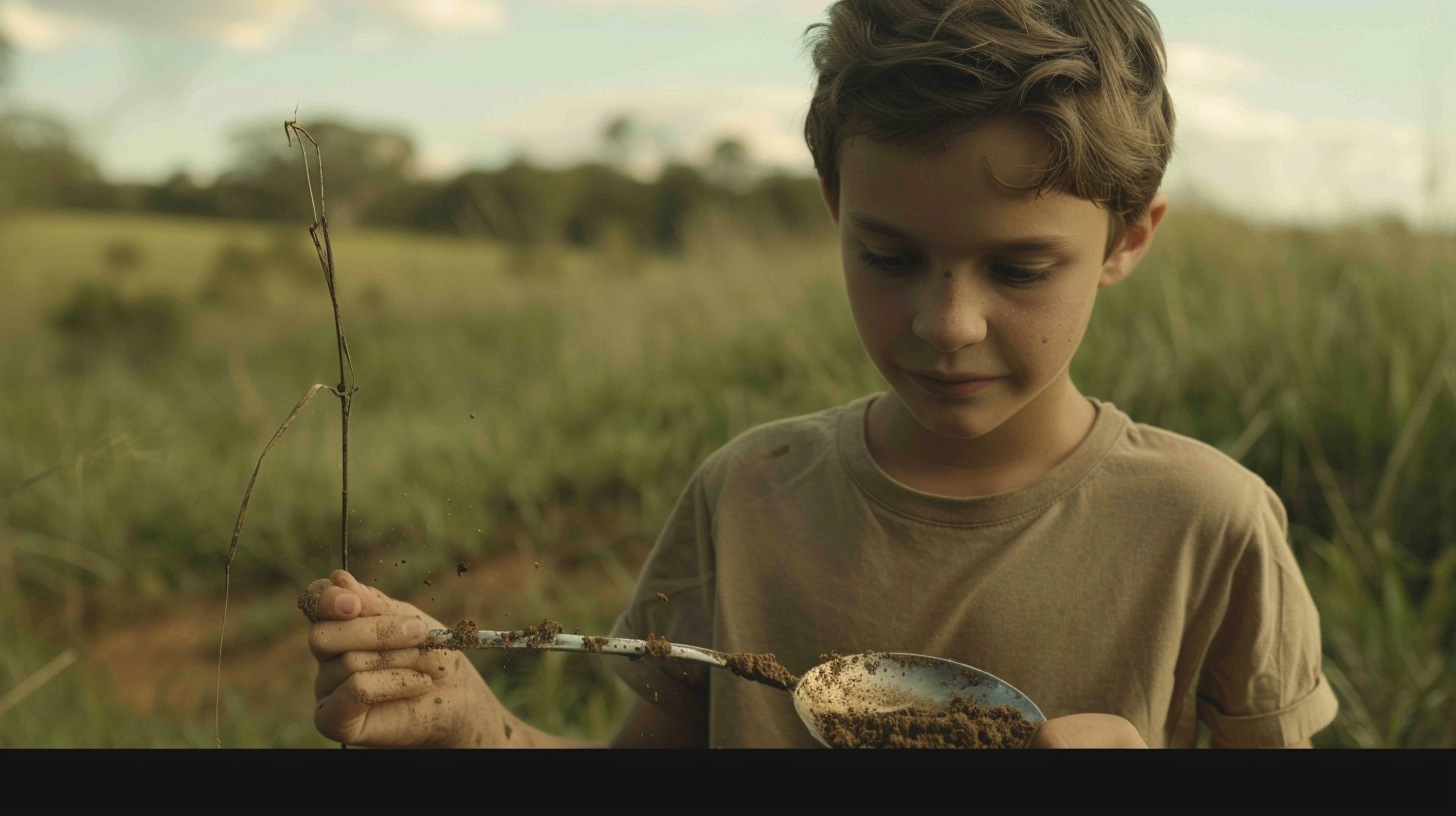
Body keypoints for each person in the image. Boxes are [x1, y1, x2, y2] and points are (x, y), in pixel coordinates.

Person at [299, 0, 1338, 748]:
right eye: (889, 258)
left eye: (1019, 268)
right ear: (835, 208)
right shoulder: (749, 491)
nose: (946, 324)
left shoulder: (1208, 526)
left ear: (1127, 239)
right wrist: (478, 730)